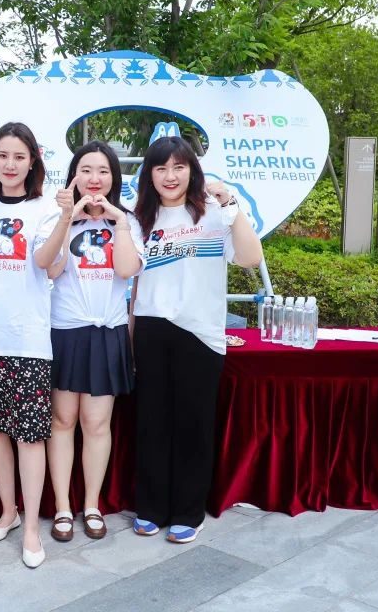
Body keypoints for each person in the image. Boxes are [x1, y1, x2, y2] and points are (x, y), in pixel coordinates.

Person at [129, 135, 263, 544]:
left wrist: (231, 205)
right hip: (152, 327)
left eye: (178, 167)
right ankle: (151, 507)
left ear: (192, 171)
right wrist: (132, 336)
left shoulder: (213, 213)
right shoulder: (140, 217)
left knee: (194, 424)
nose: (169, 176)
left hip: (200, 332)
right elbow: (136, 283)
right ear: (150, 175)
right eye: (160, 168)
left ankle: (189, 512)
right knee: (151, 423)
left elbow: (250, 257)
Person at [0, 121, 68, 569]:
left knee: (29, 435)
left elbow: (47, 264)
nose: (10, 164)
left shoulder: (47, 209)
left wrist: (66, 218)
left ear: (32, 162)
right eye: (2, 155)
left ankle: (31, 529)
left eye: (19, 157)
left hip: (29, 339)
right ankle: (8, 511)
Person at [45, 141, 144, 543]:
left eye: (103, 171)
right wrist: (68, 217)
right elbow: (51, 270)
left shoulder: (129, 221)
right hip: (66, 331)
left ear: (114, 178)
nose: (94, 178)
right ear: (74, 176)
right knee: (62, 421)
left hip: (108, 331)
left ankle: (91, 505)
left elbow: (126, 269)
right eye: (86, 170)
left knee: (96, 423)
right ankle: (62, 507)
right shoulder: (59, 218)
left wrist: (119, 221)